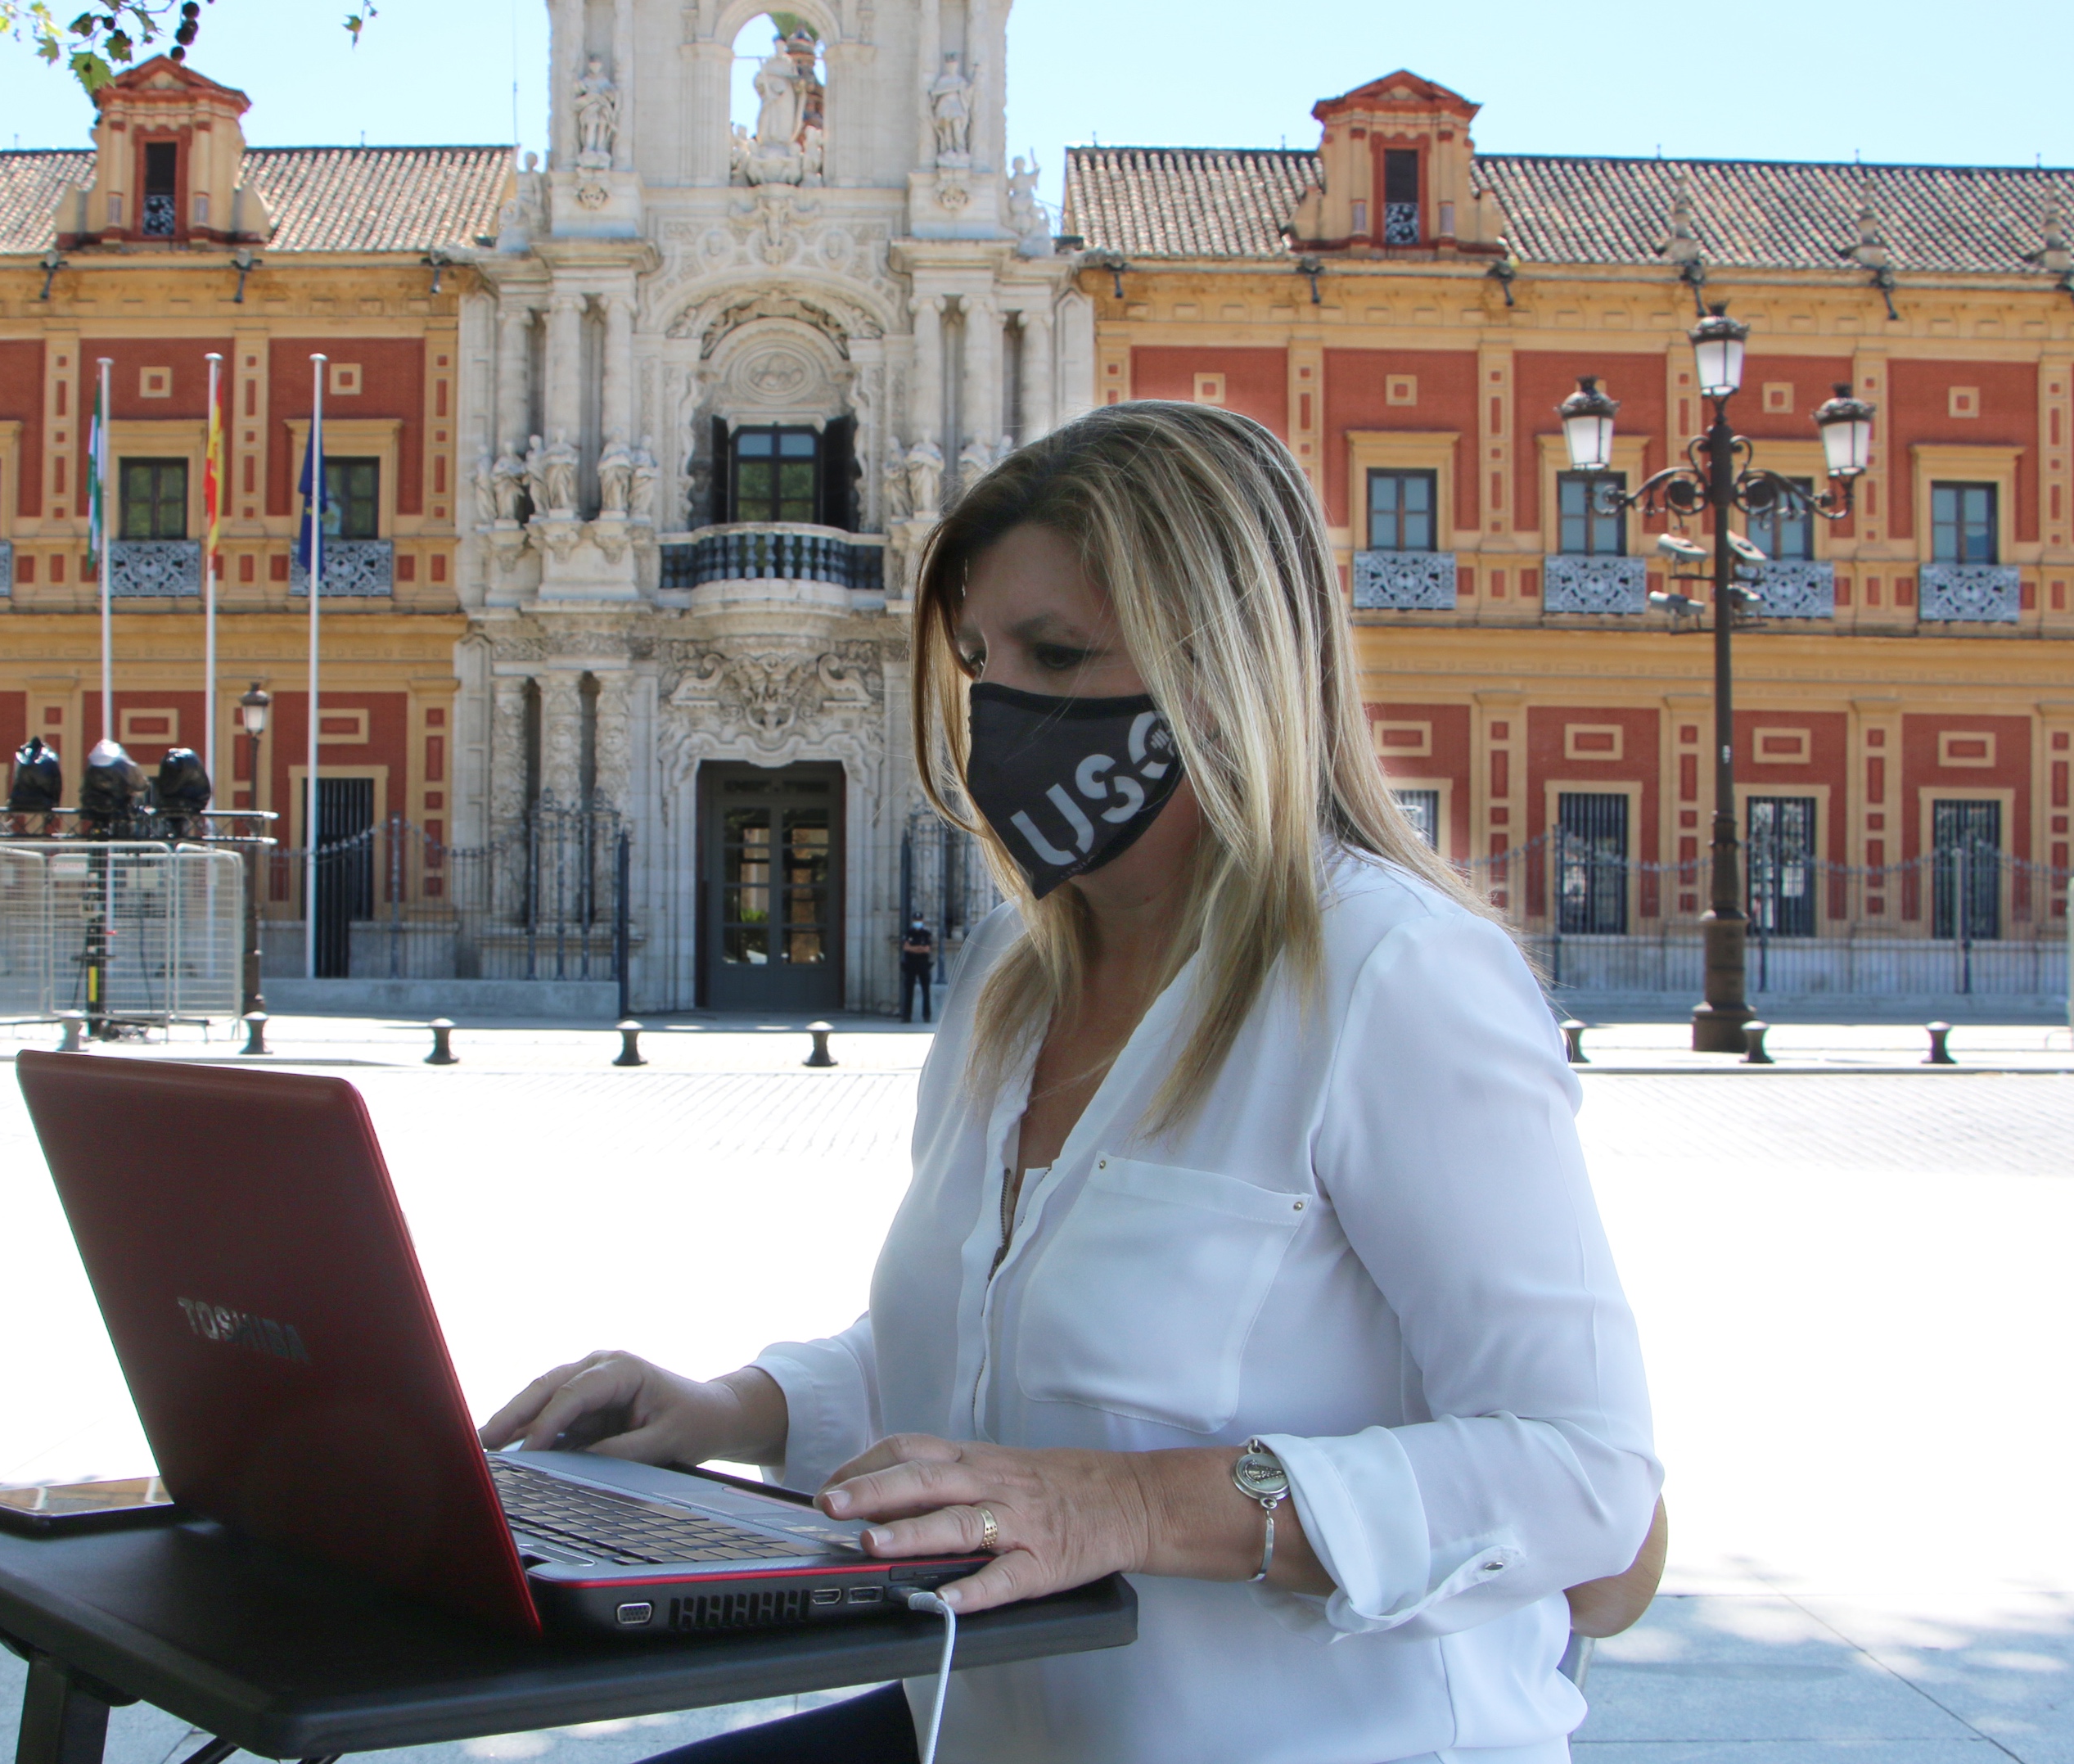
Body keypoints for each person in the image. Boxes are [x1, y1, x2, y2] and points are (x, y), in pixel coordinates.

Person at [484, 401, 1661, 1764]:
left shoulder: (1393, 977)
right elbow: (991, 1351)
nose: (1001, 715)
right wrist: (729, 1410)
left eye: (1056, 654)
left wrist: (1125, 1508)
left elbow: (1590, 1482)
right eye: (979, 660)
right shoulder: (1008, 977)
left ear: (1223, 664)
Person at [899, 917, 936, 1022]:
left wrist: (913, 948)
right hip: (910, 964)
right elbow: (906, 947)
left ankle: (927, 1015)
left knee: (926, 991)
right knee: (909, 990)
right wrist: (919, 948)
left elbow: (927, 949)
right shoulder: (909, 933)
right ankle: (907, 1016)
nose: (917, 922)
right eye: (916, 920)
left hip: (923, 965)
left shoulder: (926, 934)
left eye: (919, 920)